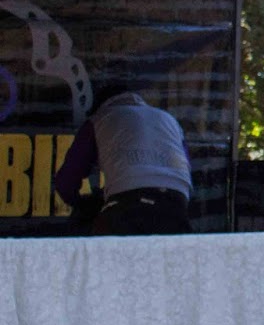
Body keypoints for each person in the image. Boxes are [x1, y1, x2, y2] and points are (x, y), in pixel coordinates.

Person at [54, 85, 192, 235]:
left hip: (127, 203)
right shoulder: (169, 119)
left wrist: (81, 204)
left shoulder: (99, 120)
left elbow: (66, 180)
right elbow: (185, 165)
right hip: (176, 201)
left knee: (99, 245)